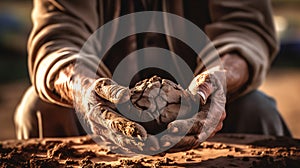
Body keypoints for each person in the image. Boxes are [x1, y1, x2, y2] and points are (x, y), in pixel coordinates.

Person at [15, 0, 291, 152]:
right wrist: (85, 90)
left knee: (258, 109)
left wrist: (217, 79)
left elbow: (244, 28)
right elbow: (57, 38)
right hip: (105, 113)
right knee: (39, 109)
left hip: (201, 112)